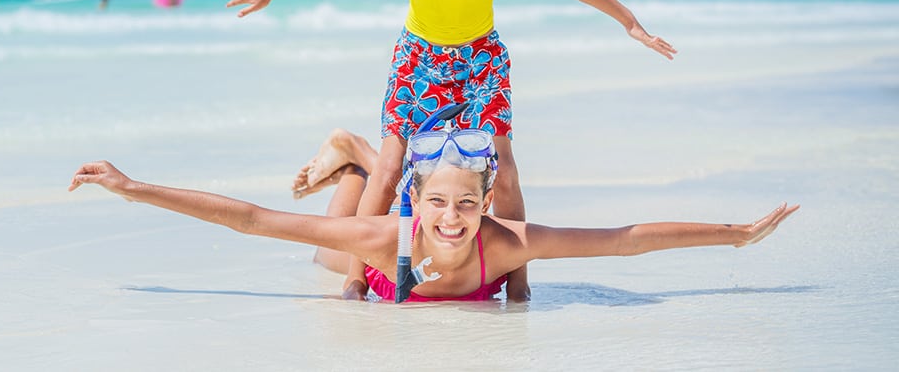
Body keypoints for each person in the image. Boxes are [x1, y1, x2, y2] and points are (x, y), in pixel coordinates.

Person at [219, 0, 678, 301]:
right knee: (392, 167)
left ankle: (519, 282)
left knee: (504, 170)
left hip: (482, 60)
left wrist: (630, 23)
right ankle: (355, 278)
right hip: (419, 60)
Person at [67, 136, 797, 303]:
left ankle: (356, 157)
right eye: (439, 203)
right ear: (422, 204)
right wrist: (134, 189)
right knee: (323, 253)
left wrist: (737, 235)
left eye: (466, 205)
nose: (451, 218)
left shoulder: (506, 245)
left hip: (405, 248)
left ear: (484, 207)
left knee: (350, 209)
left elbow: (621, 242)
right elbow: (257, 220)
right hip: (379, 263)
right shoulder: (388, 235)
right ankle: (353, 161)